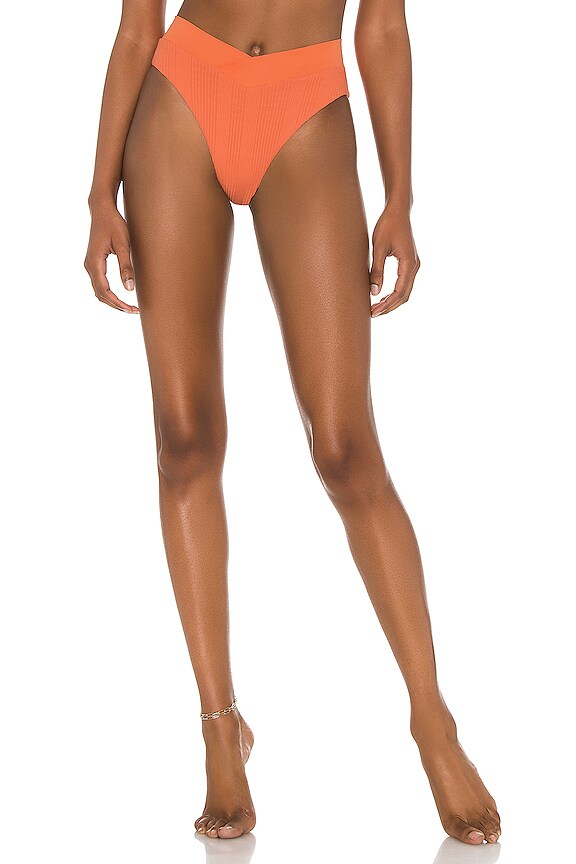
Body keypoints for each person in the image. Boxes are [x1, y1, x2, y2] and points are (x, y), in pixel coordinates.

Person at [84, 0, 502, 845]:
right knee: (184, 440)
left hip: (307, 104)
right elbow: (137, 25)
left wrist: (400, 196)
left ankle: (432, 720)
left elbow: (382, 26)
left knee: (346, 451)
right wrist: (98, 196)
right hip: (181, 93)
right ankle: (220, 727)